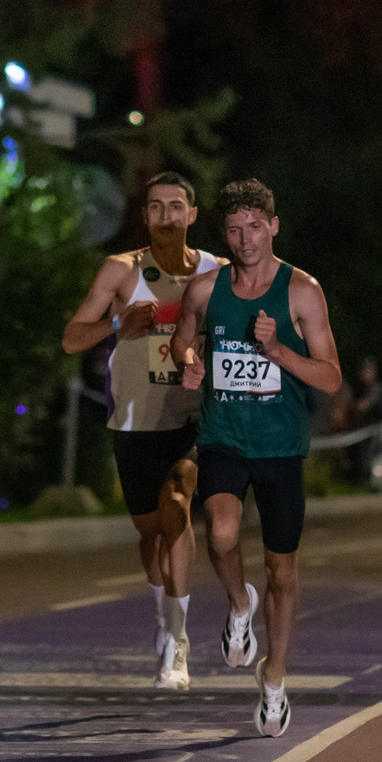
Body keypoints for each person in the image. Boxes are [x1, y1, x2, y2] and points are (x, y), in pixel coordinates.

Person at [172, 178, 342, 738]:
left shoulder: (302, 292)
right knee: (221, 533)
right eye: (234, 230)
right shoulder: (206, 289)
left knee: (282, 572)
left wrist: (276, 350)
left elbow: (331, 378)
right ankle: (238, 605)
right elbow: (182, 340)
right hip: (223, 436)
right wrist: (189, 365)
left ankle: (274, 678)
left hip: (281, 447)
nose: (245, 240)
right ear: (223, 235)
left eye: (254, 227)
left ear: (273, 227)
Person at [62, 172, 221, 691]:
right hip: (135, 423)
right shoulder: (121, 270)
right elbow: (71, 339)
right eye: (156, 206)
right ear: (145, 214)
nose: (166, 215)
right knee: (151, 536)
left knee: (178, 504)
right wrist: (117, 325)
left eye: (176, 206)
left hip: (193, 419)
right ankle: (163, 616)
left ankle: (178, 641)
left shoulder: (217, 273)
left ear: (192, 215)